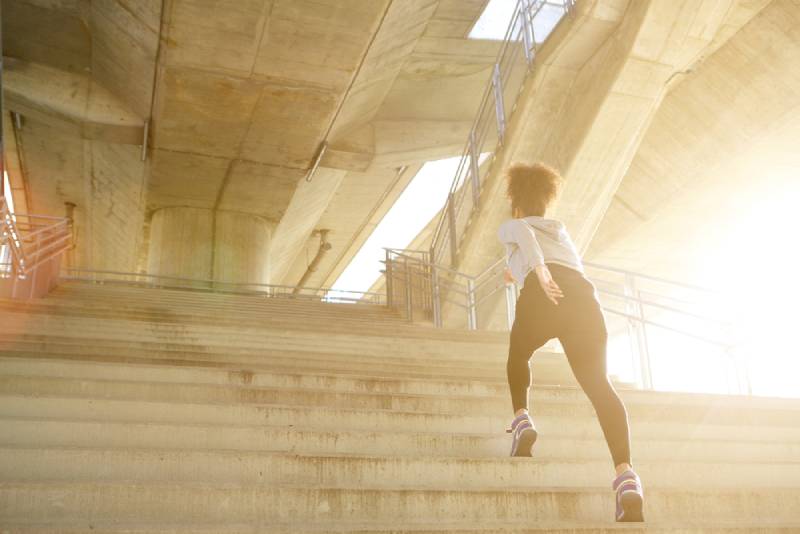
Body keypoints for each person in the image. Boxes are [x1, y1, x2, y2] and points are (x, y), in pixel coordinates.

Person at [497, 162, 644, 522]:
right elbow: (537, 251)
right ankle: (626, 475)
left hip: (543, 292)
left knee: (518, 355)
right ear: (546, 204)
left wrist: (540, 272)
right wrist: (520, 269)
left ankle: (522, 419)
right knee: (599, 385)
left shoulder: (514, 225)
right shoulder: (560, 230)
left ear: (516, 204)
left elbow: (525, 238)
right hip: (582, 297)